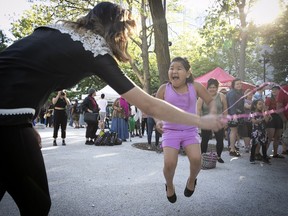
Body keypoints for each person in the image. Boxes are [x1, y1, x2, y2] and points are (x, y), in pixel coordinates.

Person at [0, 2, 225, 214]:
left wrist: (28, 123)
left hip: (13, 119)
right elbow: (148, 104)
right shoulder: (94, 49)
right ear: (117, 30)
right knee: (36, 204)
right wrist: (199, 121)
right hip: (7, 122)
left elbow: (22, 72)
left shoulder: (55, 30)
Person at [155, 57, 217, 204]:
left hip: (190, 130)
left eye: (178, 68)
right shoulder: (164, 89)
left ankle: (191, 180)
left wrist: (213, 114)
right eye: (171, 68)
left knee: (196, 160)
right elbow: (154, 109)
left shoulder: (195, 86)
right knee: (169, 163)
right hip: (170, 131)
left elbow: (210, 101)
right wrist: (158, 121)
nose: (174, 71)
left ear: (188, 73)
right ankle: (169, 185)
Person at [197, 78, 227, 163]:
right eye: (210, 87)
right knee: (205, 139)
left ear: (217, 88)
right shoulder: (202, 97)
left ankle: (219, 156)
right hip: (206, 121)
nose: (212, 89)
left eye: (214, 87)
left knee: (220, 139)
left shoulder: (221, 96)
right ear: (207, 88)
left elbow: (225, 109)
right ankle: (202, 156)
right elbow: (198, 110)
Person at [226, 78, 244, 157]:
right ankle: (232, 149)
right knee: (233, 131)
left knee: (234, 131)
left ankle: (232, 147)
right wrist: (234, 116)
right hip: (232, 114)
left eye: (240, 83)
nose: (239, 85)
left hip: (237, 114)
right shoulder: (232, 93)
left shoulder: (240, 92)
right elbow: (231, 105)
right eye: (237, 84)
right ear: (233, 85)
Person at [250, 99, 272, 164]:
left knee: (264, 145)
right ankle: (252, 158)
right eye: (259, 104)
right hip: (255, 132)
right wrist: (261, 119)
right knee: (254, 145)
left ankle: (264, 158)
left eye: (262, 104)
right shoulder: (252, 113)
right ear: (255, 105)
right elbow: (254, 121)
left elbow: (267, 121)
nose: (261, 105)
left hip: (263, 131)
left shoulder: (264, 112)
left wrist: (264, 112)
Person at [265, 85, 284, 158]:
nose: (274, 91)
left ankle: (275, 154)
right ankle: (264, 154)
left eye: (276, 89)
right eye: (273, 90)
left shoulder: (282, 99)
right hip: (271, 118)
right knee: (269, 137)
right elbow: (265, 109)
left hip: (280, 118)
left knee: (277, 137)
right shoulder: (269, 99)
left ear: (280, 91)